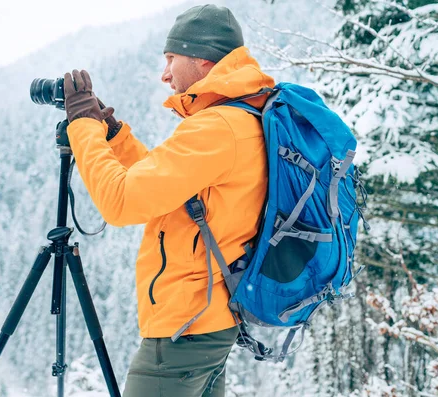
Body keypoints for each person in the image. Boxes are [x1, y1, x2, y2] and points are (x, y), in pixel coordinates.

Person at [62, 4, 275, 396]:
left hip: (186, 327)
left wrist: (83, 128)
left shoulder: (217, 129)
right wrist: (112, 135)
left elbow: (121, 202)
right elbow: (172, 193)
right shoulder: (243, 117)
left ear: (204, 60)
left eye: (171, 59)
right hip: (213, 319)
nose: (165, 74)